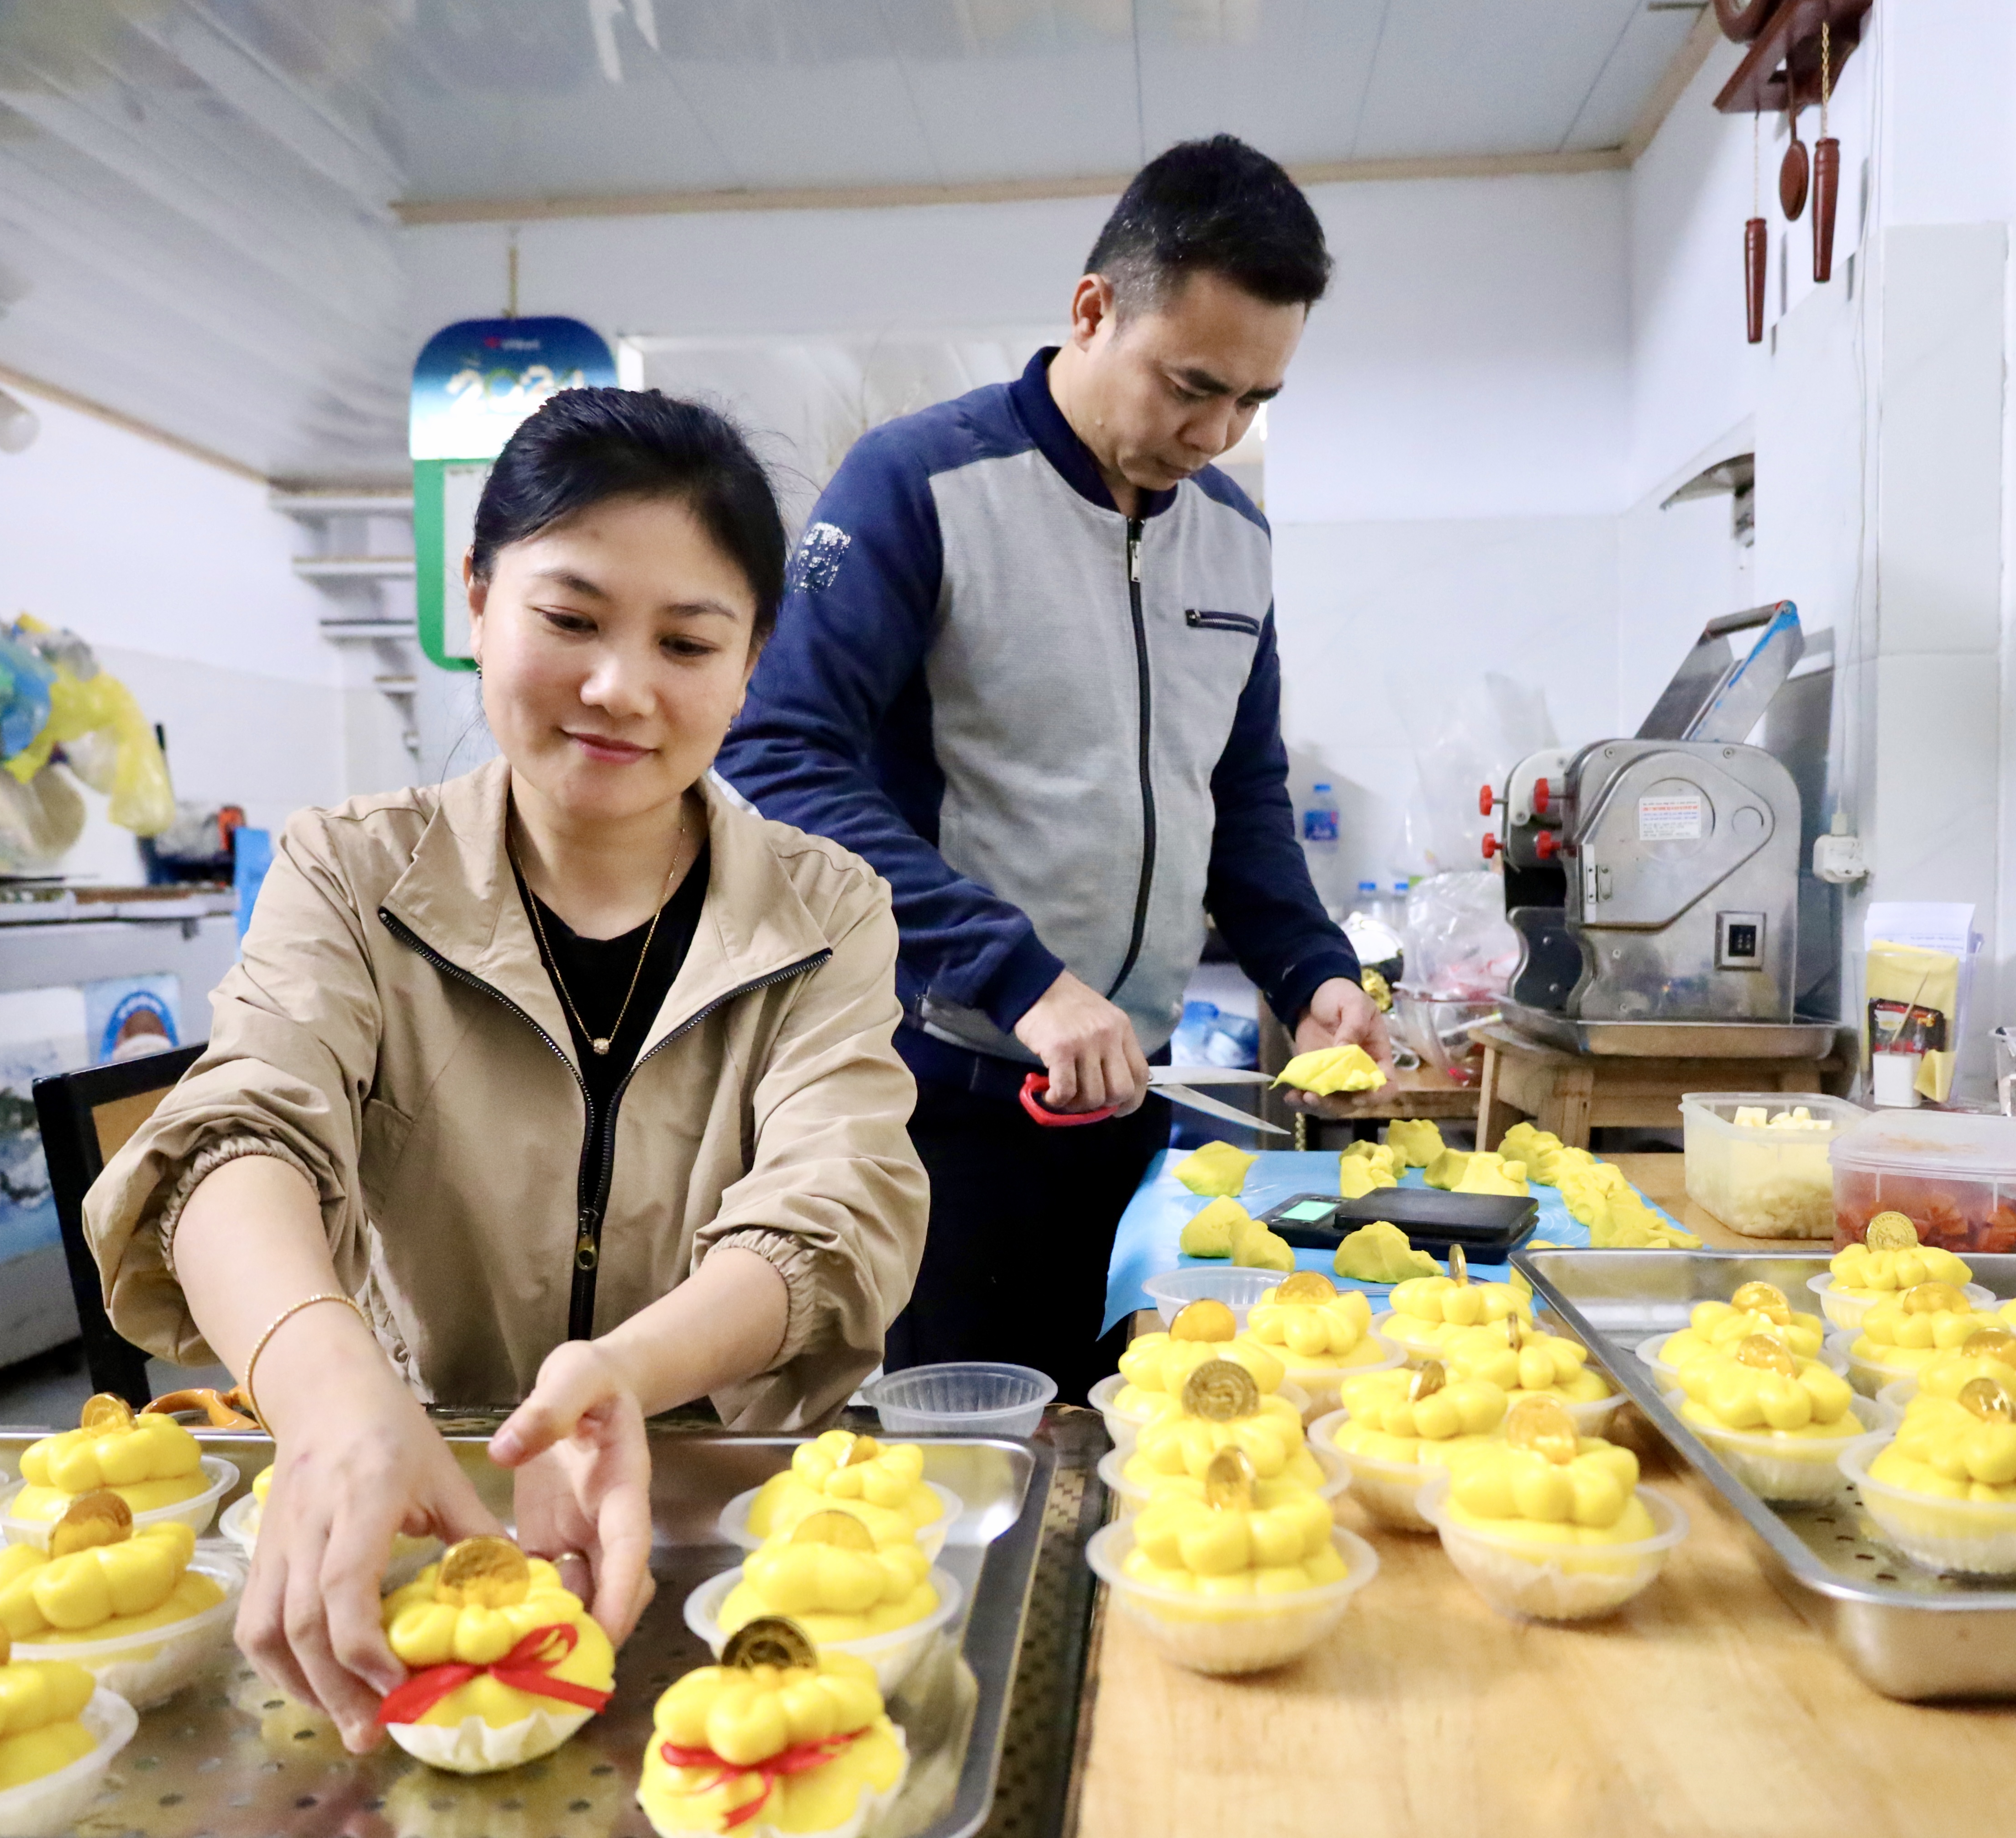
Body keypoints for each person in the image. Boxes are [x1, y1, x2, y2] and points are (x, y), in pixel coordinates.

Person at [84, 389, 927, 1754]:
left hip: (733, 1518)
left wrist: (627, 1369)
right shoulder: (350, 870)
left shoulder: (826, 906)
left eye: (688, 640)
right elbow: (240, 1138)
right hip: (409, 1493)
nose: (619, 686)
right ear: (477, 598)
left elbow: (834, 1211)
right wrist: (329, 1390)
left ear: (753, 659)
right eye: (571, 618)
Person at [718, 136, 1382, 1404]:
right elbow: (781, 753)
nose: (1218, 430)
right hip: (945, 1102)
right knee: (971, 1469)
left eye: (1256, 401)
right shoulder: (921, 484)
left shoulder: (1233, 539)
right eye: (1191, 385)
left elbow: (1237, 795)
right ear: (1093, 310)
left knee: (1130, 1463)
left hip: (1132, 1113)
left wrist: (1314, 971)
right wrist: (1018, 975)